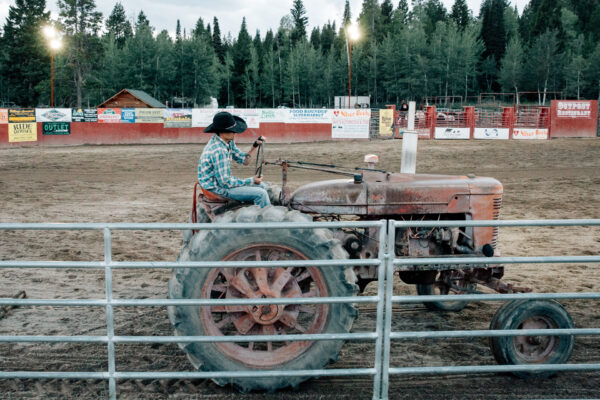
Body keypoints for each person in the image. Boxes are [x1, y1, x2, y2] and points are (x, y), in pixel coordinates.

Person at [198, 111, 270, 207]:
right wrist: (251, 180)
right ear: (222, 131)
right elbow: (226, 183)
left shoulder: (227, 142)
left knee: (263, 186)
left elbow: (244, 161)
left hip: (219, 184)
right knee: (261, 194)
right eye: (232, 130)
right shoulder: (219, 150)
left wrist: (255, 146)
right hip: (217, 189)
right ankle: (265, 220)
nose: (235, 132)